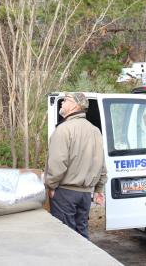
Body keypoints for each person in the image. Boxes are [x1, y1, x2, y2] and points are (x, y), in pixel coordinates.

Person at [45, 92, 107, 239]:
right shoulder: (95, 131)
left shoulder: (63, 130)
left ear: (75, 105)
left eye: (65, 100)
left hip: (65, 193)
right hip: (85, 195)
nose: (62, 103)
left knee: (66, 237)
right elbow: (101, 163)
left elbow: (58, 163)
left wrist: (51, 185)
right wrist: (99, 188)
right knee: (82, 234)